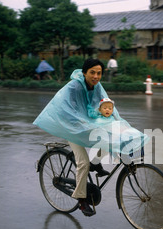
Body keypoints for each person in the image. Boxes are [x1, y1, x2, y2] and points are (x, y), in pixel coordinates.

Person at [33, 58, 148, 217]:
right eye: (92, 72)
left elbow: (106, 104)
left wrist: (118, 122)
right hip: (71, 127)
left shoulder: (97, 86)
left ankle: (95, 163)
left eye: (99, 73)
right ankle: (81, 200)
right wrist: (83, 123)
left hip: (87, 123)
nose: (96, 76)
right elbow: (66, 110)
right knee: (82, 162)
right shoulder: (73, 87)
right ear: (84, 72)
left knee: (110, 136)